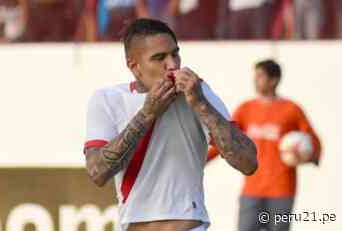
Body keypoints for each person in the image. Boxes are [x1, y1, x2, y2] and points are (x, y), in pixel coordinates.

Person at [83, 18, 257, 231]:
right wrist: (147, 114)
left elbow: (248, 162)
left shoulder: (197, 91)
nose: (173, 65)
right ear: (134, 67)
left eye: (175, 53)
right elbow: (97, 172)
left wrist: (201, 105)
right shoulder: (108, 99)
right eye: (159, 58)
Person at [232, 59, 322, 231]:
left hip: (282, 190)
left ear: (273, 80)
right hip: (251, 190)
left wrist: (311, 155)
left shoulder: (291, 109)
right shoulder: (246, 109)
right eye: (255, 76)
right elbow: (226, 138)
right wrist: (202, 160)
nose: (255, 80)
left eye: (260, 76)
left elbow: (312, 139)